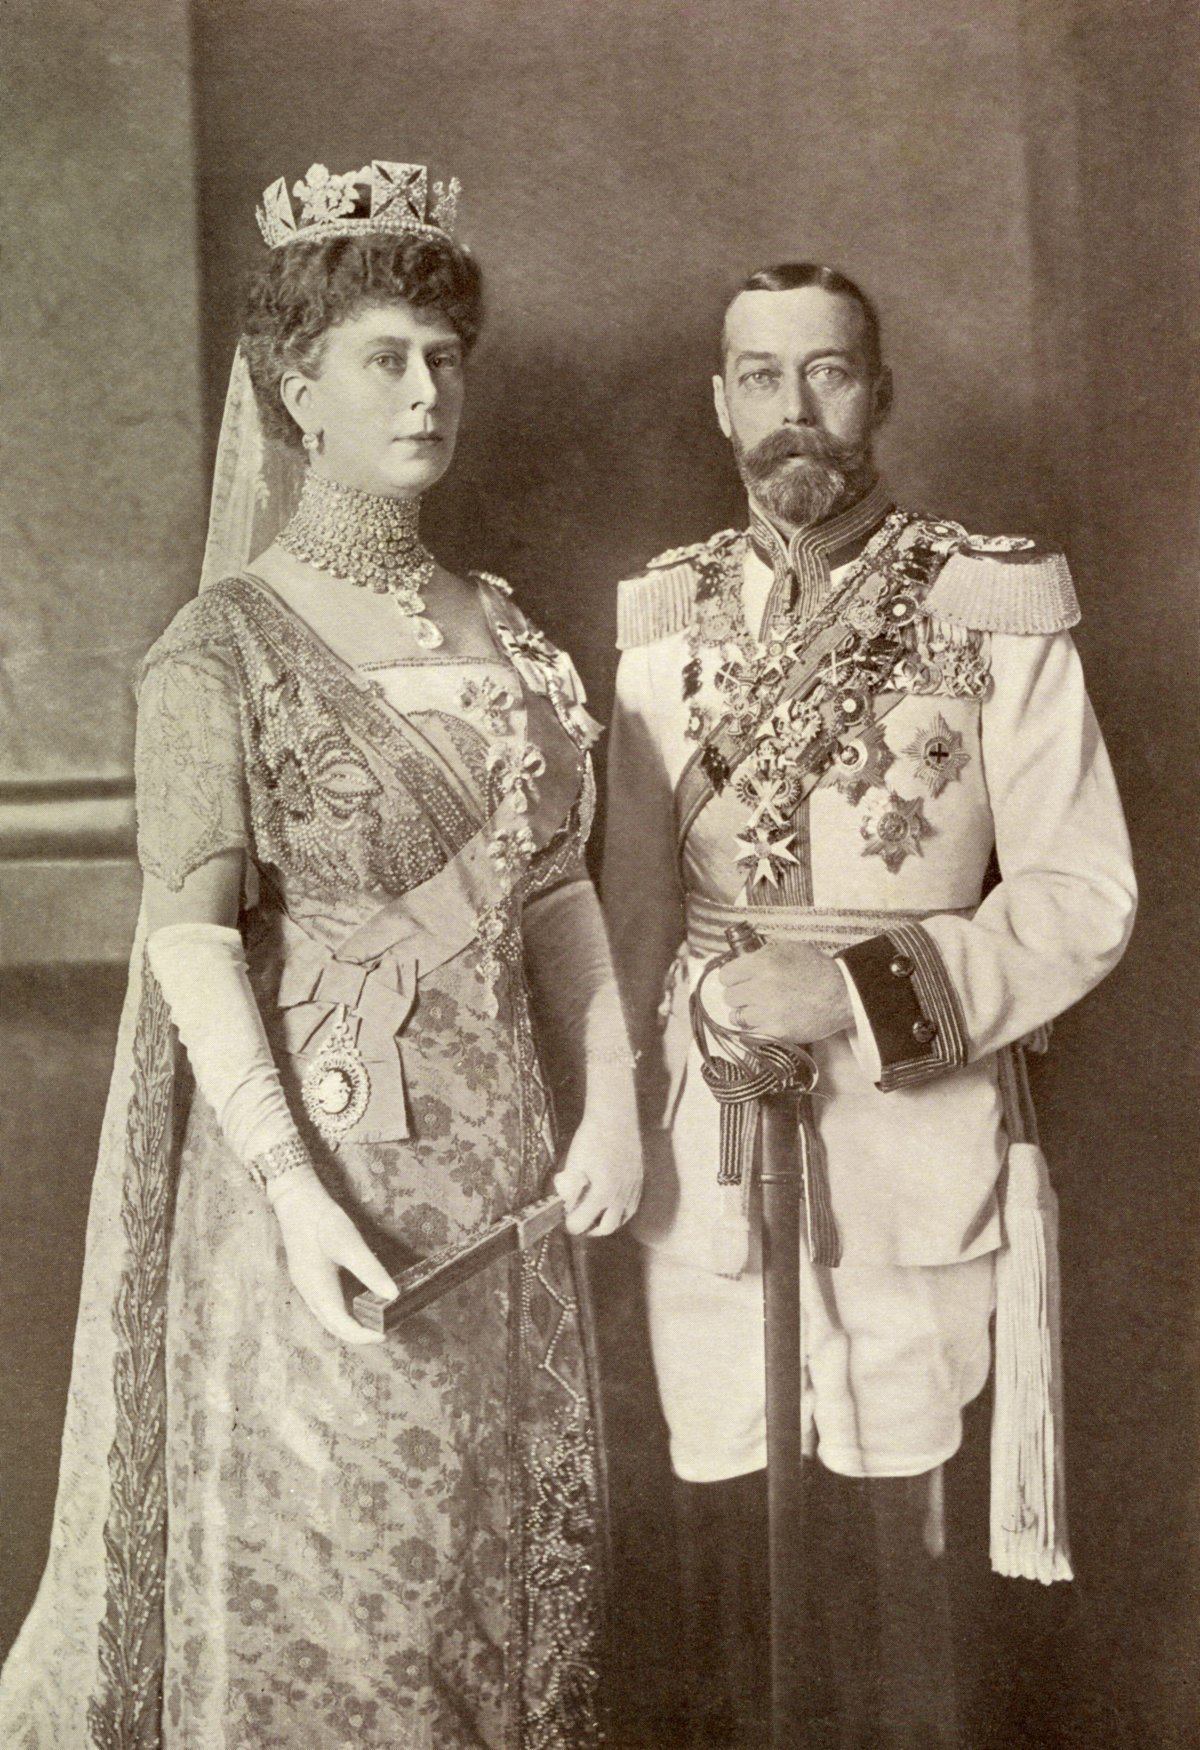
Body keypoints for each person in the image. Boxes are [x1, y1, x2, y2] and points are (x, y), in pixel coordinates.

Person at [0, 159, 640, 1750]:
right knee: (349, 1610)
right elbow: (192, 944)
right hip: (319, 1207)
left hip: (512, 1201)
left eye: (445, 358)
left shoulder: (510, 630)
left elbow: (556, 892)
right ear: (298, 391)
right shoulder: (218, 650)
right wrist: (293, 1195)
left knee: (496, 1605)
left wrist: (618, 1103)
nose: (427, 391)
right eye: (384, 359)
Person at [602, 262, 1136, 1746]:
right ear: (720, 404)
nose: (796, 409)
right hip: (706, 1136)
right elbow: (632, 908)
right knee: (732, 1553)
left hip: (912, 1136)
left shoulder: (990, 602)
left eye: (828, 373)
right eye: (761, 377)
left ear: (879, 393)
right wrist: (627, 1093)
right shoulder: (664, 617)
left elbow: (1081, 894)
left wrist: (847, 990)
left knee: (906, 1568)